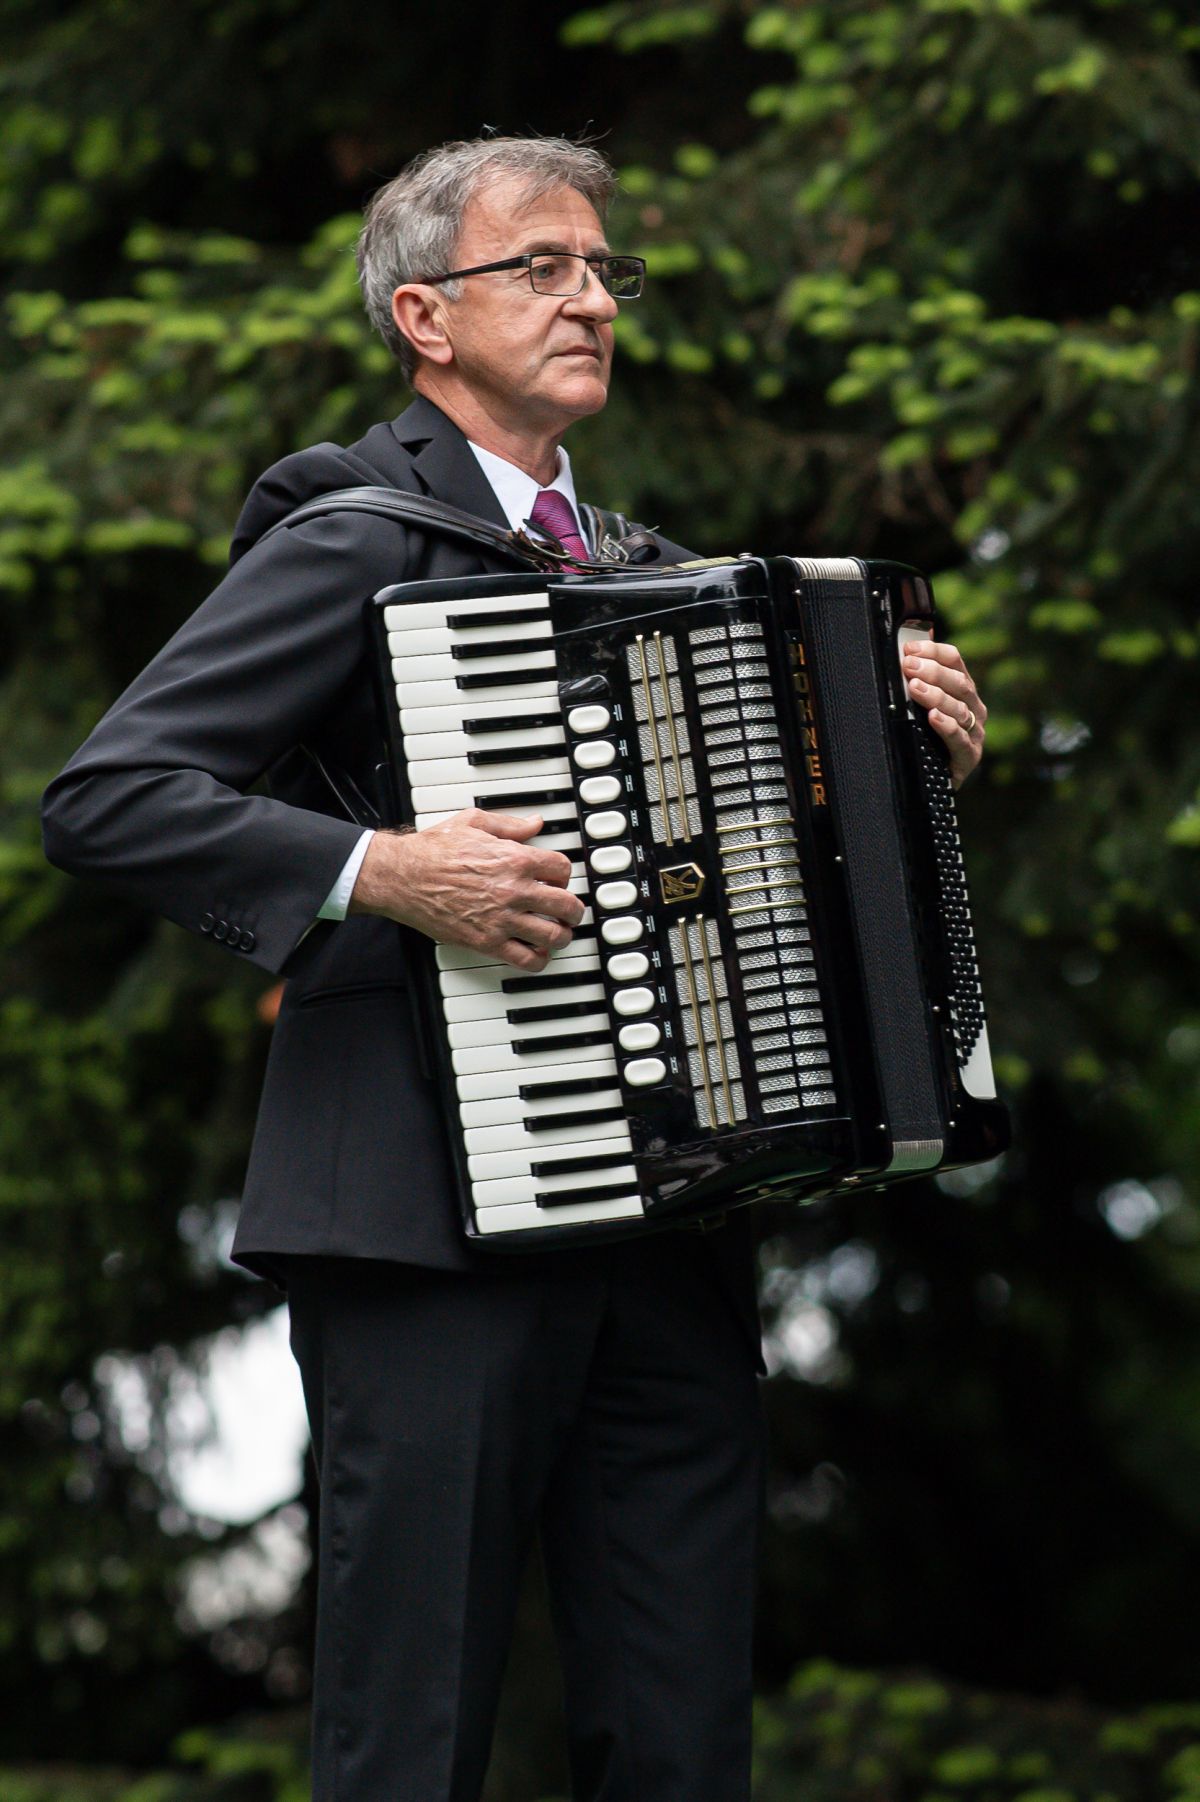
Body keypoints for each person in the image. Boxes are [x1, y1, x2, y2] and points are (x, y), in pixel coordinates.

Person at [41, 135, 987, 1801]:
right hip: (419, 1232)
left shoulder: (643, 570)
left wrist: (904, 755)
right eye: (540, 267)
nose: (590, 299)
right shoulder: (355, 533)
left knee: (681, 1745)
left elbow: (759, 875)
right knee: (409, 1743)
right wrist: (386, 870)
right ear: (424, 315)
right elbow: (111, 795)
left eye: (604, 270)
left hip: (668, 1228)